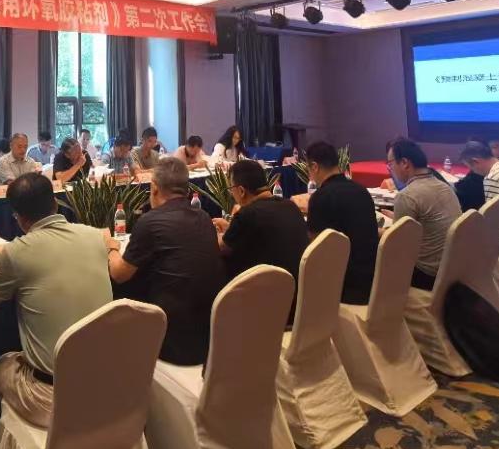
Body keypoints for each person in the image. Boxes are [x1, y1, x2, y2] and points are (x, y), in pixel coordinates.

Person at [0, 173, 111, 427]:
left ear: (19, 217)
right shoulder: (95, 236)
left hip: (52, 397)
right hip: (106, 381)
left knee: (2, 364)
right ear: (55, 203)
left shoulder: (16, 251)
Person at [105, 158, 226, 365]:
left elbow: (119, 274)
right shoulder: (204, 217)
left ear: (154, 188)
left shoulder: (150, 221)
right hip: (209, 334)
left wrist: (111, 247)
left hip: (170, 340)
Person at [213, 159, 307, 324]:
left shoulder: (248, 215)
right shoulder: (290, 207)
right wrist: (230, 227)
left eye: (231, 189)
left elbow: (221, 248)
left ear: (241, 191)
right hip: (298, 300)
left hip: (265, 308)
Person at [304, 140, 378, 305]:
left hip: (343, 288)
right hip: (373, 280)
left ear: (314, 167)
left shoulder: (321, 198)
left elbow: (315, 250)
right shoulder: (361, 191)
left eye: (308, 169)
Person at [386, 138, 462, 291]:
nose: (390, 168)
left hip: (428, 274)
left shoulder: (407, 196)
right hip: (455, 268)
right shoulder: (444, 187)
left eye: (390, 163)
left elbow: (399, 244)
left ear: (404, 163)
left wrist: (377, 230)